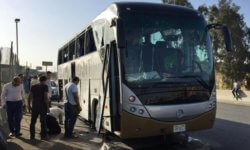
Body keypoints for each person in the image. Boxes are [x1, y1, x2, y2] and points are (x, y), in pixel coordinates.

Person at [28, 76, 50, 140]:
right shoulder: (45, 86)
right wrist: (48, 107)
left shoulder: (33, 86)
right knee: (43, 122)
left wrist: (29, 105)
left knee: (33, 121)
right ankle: (43, 136)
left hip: (34, 106)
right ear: (44, 80)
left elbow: (29, 97)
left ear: (39, 80)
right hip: (42, 106)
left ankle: (32, 136)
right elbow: (45, 98)